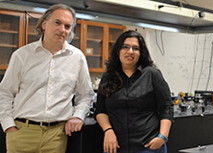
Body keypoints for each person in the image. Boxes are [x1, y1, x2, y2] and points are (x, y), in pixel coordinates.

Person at [0, 4, 95, 153]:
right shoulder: (22, 55)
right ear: (44, 24)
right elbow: (4, 93)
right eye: (57, 23)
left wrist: (78, 116)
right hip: (22, 132)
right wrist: (8, 125)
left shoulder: (77, 58)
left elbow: (86, 95)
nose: (62, 29)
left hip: (57, 135)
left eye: (67, 26)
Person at [94, 30, 173, 153]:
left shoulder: (152, 74)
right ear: (118, 50)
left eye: (135, 48)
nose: (130, 51)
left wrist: (162, 137)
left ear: (141, 53)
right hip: (116, 146)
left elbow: (166, 107)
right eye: (125, 47)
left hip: (148, 146)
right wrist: (108, 131)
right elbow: (101, 110)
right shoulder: (108, 77)